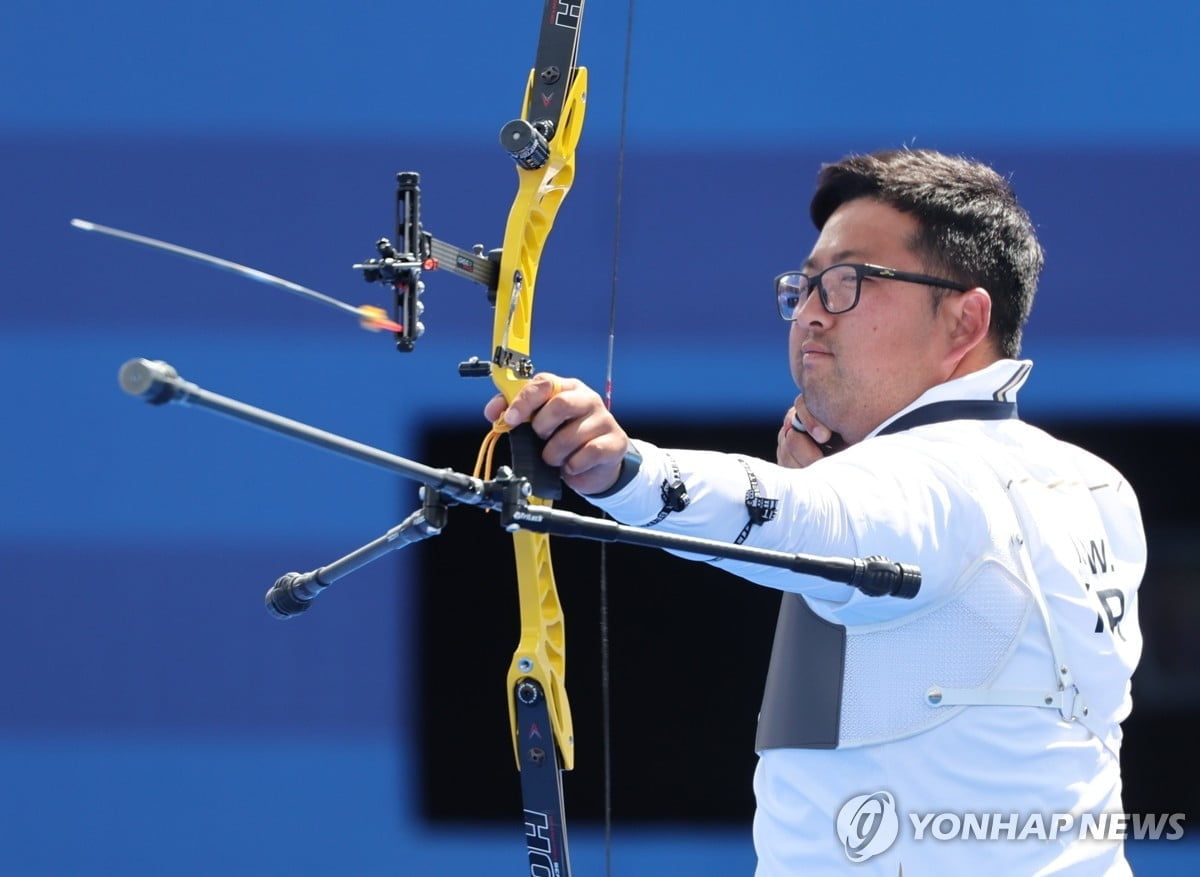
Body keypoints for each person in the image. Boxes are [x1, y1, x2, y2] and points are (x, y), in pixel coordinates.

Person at [485, 148, 1145, 874]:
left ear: (964, 322)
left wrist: (624, 469)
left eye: (845, 283)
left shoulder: (936, 482)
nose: (807, 314)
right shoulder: (1097, 487)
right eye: (802, 287)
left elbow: (803, 514)